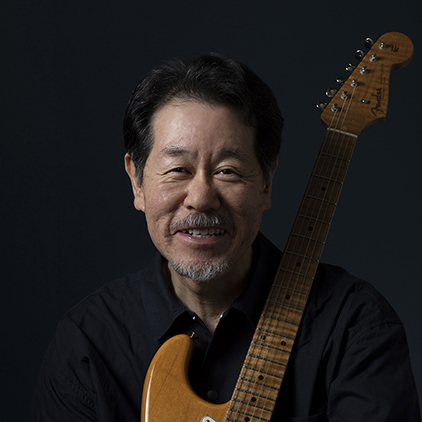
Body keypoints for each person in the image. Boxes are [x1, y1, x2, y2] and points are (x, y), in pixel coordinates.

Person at [29, 53, 421, 421]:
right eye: (178, 170)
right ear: (137, 181)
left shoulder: (354, 324)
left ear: (266, 183)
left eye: (228, 171)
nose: (201, 198)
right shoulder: (88, 344)